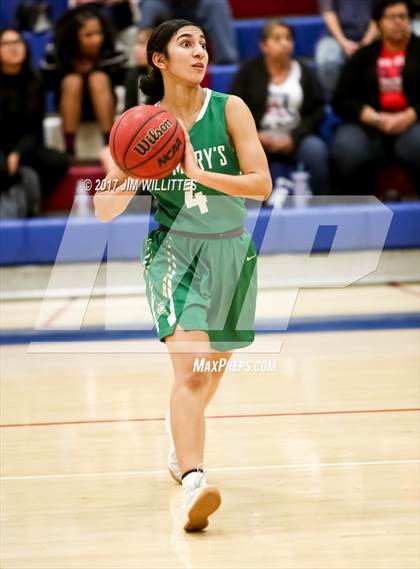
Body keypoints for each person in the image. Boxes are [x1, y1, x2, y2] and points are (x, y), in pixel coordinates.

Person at [94, 19, 271, 531]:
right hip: (175, 252)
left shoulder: (229, 107)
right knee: (191, 369)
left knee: (212, 368)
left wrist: (198, 173)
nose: (200, 52)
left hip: (232, 251)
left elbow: (260, 185)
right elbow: (104, 210)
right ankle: (195, 478)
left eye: (203, 43)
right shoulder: (140, 126)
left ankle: (179, 441)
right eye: (186, 44)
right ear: (159, 60)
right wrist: (126, 173)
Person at [230, 18, 330, 196]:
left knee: (316, 151)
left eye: (288, 38)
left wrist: (294, 138)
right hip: (256, 139)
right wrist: (253, 136)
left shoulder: (304, 71)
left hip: (296, 138)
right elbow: (232, 109)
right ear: (263, 45)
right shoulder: (248, 73)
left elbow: (318, 110)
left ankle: (320, 204)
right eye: (277, 39)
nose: (284, 43)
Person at [331, 0, 420, 194]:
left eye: (402, 16)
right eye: (391, 17)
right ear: (378, 22)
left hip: (413, 124)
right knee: (347, 146)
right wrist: (373, 117)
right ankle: (358, 211)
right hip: (370, 126)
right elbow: (340, 100)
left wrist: (410, 115)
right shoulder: (363, 56)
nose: (398, 22)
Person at [40, 4, 127, 157]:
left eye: (99, 33)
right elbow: (47, 81)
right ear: (74, 36)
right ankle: (69, 149)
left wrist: (95, 66)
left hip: (103, 104)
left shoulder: (111, 47)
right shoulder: (57, 50)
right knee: (73, 81)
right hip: (69, 105)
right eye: (88, 35)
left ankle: (109, 144)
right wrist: (71, 68)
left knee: (98, 78)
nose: (96, 39)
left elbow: (123, 76)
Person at [0, 28, 68, 214]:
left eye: (17, 42)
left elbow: (35, 130)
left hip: (26, 146)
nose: (13, 48)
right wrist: (6, 154)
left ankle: (30, 199)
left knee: (57, 162)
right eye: (6, 44)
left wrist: (17, 153)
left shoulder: (35, 80)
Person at [138, 0, 239, 64]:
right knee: (149, 5)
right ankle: (145, 59)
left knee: (216, 3)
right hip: (166, 4)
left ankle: (226, 62)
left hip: (197, 5)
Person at [315, 0, 378, 94]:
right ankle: (338, 98)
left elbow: (381, 12)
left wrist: (365, 44)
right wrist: (343, 42)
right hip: (335, 37)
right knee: (328, 62)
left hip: (373, 36)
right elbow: (328, 12)